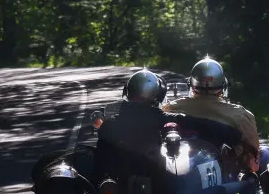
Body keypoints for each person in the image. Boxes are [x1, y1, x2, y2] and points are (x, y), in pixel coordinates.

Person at [94, 69, 242, 180]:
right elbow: (200, 124)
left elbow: (99, 163)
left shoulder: (109, 125)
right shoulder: (162, 118)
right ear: (157, 94)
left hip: (114, 183)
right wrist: (232, 134)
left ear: (128, 91)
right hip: (153, 184)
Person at [162, 57, 260, 172]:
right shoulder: (242, 115)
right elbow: (253, 159)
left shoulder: (171, 108)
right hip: (226, 178)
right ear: (222, 86)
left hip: (181, 172)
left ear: (192, 85)